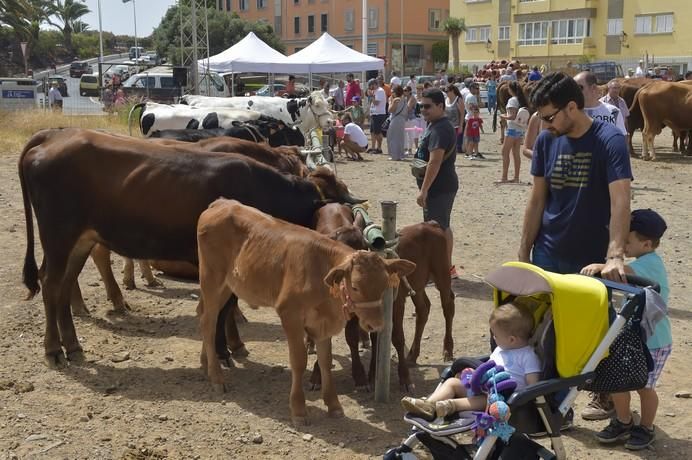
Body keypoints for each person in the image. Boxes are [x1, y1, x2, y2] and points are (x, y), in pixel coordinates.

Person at [518, 72, 632, 420]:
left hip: (590, 263)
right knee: (544, 338)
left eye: (550, 117)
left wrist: (614, 254)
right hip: (548, 254)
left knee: (593, 339)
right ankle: (555, 410)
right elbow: (537, 200)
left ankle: (606, 399)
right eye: (540, 118)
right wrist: (524, 253)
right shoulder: (546, 141)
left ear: (572, 106)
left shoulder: (608, 140)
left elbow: (621, 201)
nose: (545, 125)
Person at [581, 209, 671, 450]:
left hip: (654, 341)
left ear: (647, 243)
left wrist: (601, 265)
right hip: (630, 338)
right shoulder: (639, 261)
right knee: (619, 381)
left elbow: (621, 272)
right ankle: (623, 420)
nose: (622, 245)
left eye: (627, 241)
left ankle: (647, 427)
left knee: (644, 386)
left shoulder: (650, 264)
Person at [401, 303, 541, 420]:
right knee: (452, 383)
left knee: (485, 400)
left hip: (502, 399)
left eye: (496, 335)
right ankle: (428, 405)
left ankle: (449, 405)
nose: (493, 338)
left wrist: (517, 397)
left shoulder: (528, 356)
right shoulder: (500, 349)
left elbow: (533, 386)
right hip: (481, 387)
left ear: (511, 339)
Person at [413, 88, 459, 279]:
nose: (423, 110)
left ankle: (442, 271)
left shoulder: (440, 128)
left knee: (436, 230)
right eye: (421, 106)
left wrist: (424, 191)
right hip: (440, 185)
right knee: (442, 227)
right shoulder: (435, 124)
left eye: (428, 106)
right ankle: (447, 268)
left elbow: (435, 161)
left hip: (439, 187)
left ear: (440, 106)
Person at [574, 71, 627, 136]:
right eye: (573, 88)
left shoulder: (614, 111)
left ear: (593, 88)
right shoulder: (571, 113)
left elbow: (622, 137)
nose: (575, 91)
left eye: (579, 88)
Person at [498, 81, 530, 183]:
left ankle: (504, 177)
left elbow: (512, 116)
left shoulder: (512, 100)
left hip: (512, 129)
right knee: (516, 153)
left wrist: (502, 116)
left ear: (511, 90)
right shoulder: (521, 100)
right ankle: (516, 177)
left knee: (505, 152)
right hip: (520, 129)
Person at [386, 85, 408, 161]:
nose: (391, 93)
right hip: (402, 119)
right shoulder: (404, 99)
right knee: (400, 138)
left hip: (395, 119)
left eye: (393, 92)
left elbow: (390, 110)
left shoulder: (394, 99)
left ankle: (394, 155)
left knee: (392, 137)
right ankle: (400, 155)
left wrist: (392, 102)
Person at [444, 84, 465, 157]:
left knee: (453, 145)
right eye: (445, 91)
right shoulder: (446, 100)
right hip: (447, 126)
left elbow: (462, 114)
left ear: (452, 91)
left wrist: (461, 126)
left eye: (447, 91)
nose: (446, 93)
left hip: (456, 126)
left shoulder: (458, 100)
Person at [367, 79, 387, 154]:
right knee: (372, 132)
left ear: (374, 84)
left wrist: (371, 96)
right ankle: (373, 147)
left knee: (377, 132)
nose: (370, 88)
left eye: (371, 86)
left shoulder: (380, 91)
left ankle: (379, 148)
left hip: (379, 114)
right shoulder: (375, 91)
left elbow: (376, 103)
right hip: (374, 113)